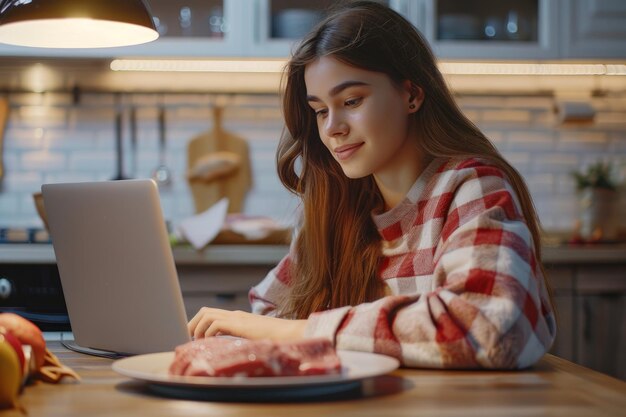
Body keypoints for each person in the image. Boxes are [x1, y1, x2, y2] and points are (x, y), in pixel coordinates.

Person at [188, 0, 557, 369]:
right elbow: (269, 312)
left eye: (351, 100)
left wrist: (305, 332)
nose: (332, 127)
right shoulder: (334, 208)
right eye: (320, 110)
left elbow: (490, 326)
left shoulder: (471, 186)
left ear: (411, 95)